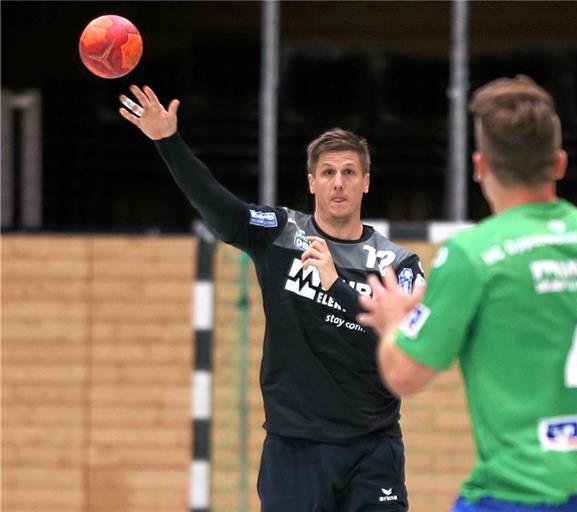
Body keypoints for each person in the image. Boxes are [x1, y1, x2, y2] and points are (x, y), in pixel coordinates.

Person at [357, 76, 577, 512]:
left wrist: (393, 323)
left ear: (480, 166)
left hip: (513, 498)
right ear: (559, 163)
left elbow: (405, 375)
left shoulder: (473, 255)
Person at [118, 84, 422, 512]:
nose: (339, 183)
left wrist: (336, 284)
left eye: (350, 172)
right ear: (312, 181)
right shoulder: (281, 233)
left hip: (373, 449)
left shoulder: (399, 262)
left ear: (366, 182)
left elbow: (405, 343)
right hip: (294, 448)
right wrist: (168, 141)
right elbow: (220, 209)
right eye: (329, 172)